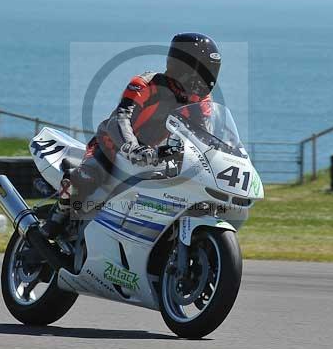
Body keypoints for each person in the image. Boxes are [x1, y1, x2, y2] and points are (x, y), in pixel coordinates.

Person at [40, 32, 222, 239]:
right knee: (86, 178)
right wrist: (132, 147)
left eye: (211, 69)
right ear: (182, 65)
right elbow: (121, 118)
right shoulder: (146, 84)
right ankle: (58, 214)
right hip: (111, 147)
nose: (207, 76)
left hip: (153, 157)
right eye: (203, 69)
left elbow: (204, 135)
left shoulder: (200, 100)